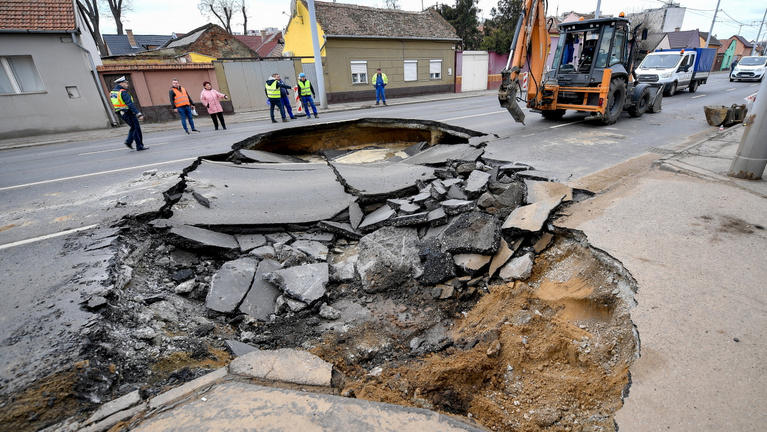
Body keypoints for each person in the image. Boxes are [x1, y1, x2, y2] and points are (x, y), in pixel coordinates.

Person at [110, 76, 147, 151]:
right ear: (121, 83)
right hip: (128, 112)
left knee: (134, 128)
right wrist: (138, 114)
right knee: (136, 128)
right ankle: (134, 144)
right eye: (126, 83)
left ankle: (133, 143)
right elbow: (130, 104)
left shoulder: (113, 92)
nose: (127, 84)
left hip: (121, 113)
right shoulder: (122, 92)